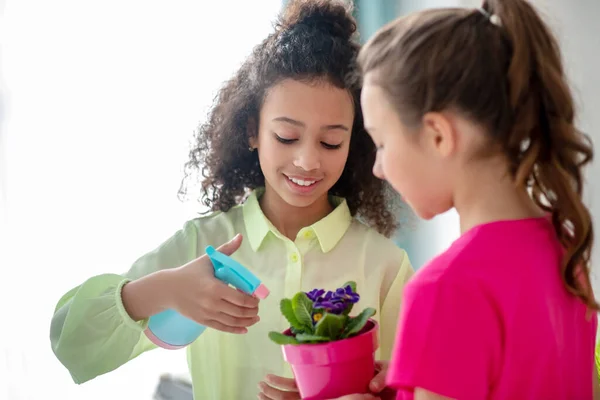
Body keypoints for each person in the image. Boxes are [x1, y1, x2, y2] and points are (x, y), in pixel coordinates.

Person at [49, 1, 414, 399]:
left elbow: (417, 388)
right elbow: (71, 344)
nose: (307, 160)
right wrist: (165, 289)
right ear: (251, 130)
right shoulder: (202, 248)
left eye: (331, 142)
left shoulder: (385, 267)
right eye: (286, 137)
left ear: (354, 143)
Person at [338, 0, 598, 399]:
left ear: (438, 135)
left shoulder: (445, 290)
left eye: (382, 143)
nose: (378, 168)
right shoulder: (565, 247)